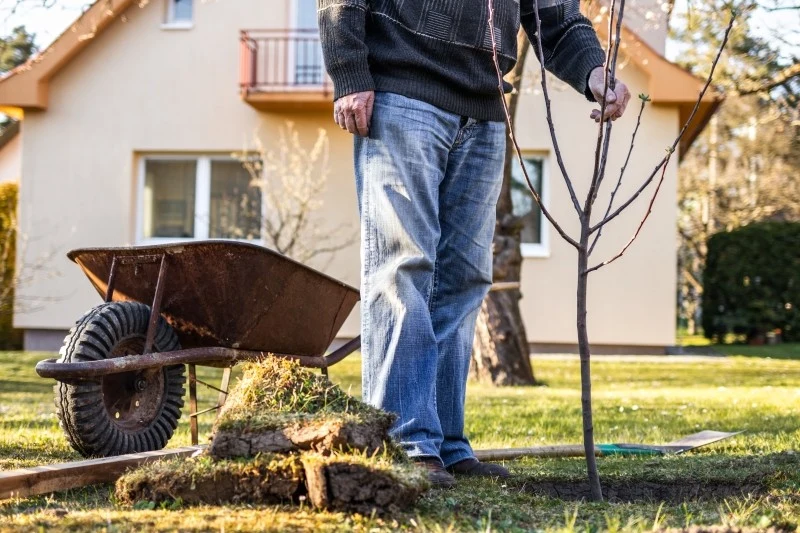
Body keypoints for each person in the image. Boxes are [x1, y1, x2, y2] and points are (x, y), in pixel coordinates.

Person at [317, 0, 630, 488]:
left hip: (484, 108)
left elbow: (556, 15)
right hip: (403, 92)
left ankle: (443, 443)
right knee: (403, 267)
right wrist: (350, 70)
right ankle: (405, 440)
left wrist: (593, 69)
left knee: (464, 279)